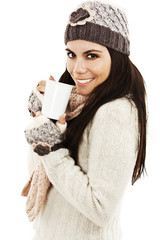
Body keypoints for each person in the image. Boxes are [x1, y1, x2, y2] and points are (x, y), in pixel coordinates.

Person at [24, 1, 147, 239]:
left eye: (91, 55)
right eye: (71, 54)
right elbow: (43, 179)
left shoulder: (115, 112)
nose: (77, 68)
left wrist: (52, 147)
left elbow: (101, 210)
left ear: (117, 57)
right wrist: (48, 117)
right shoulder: (78, 105)